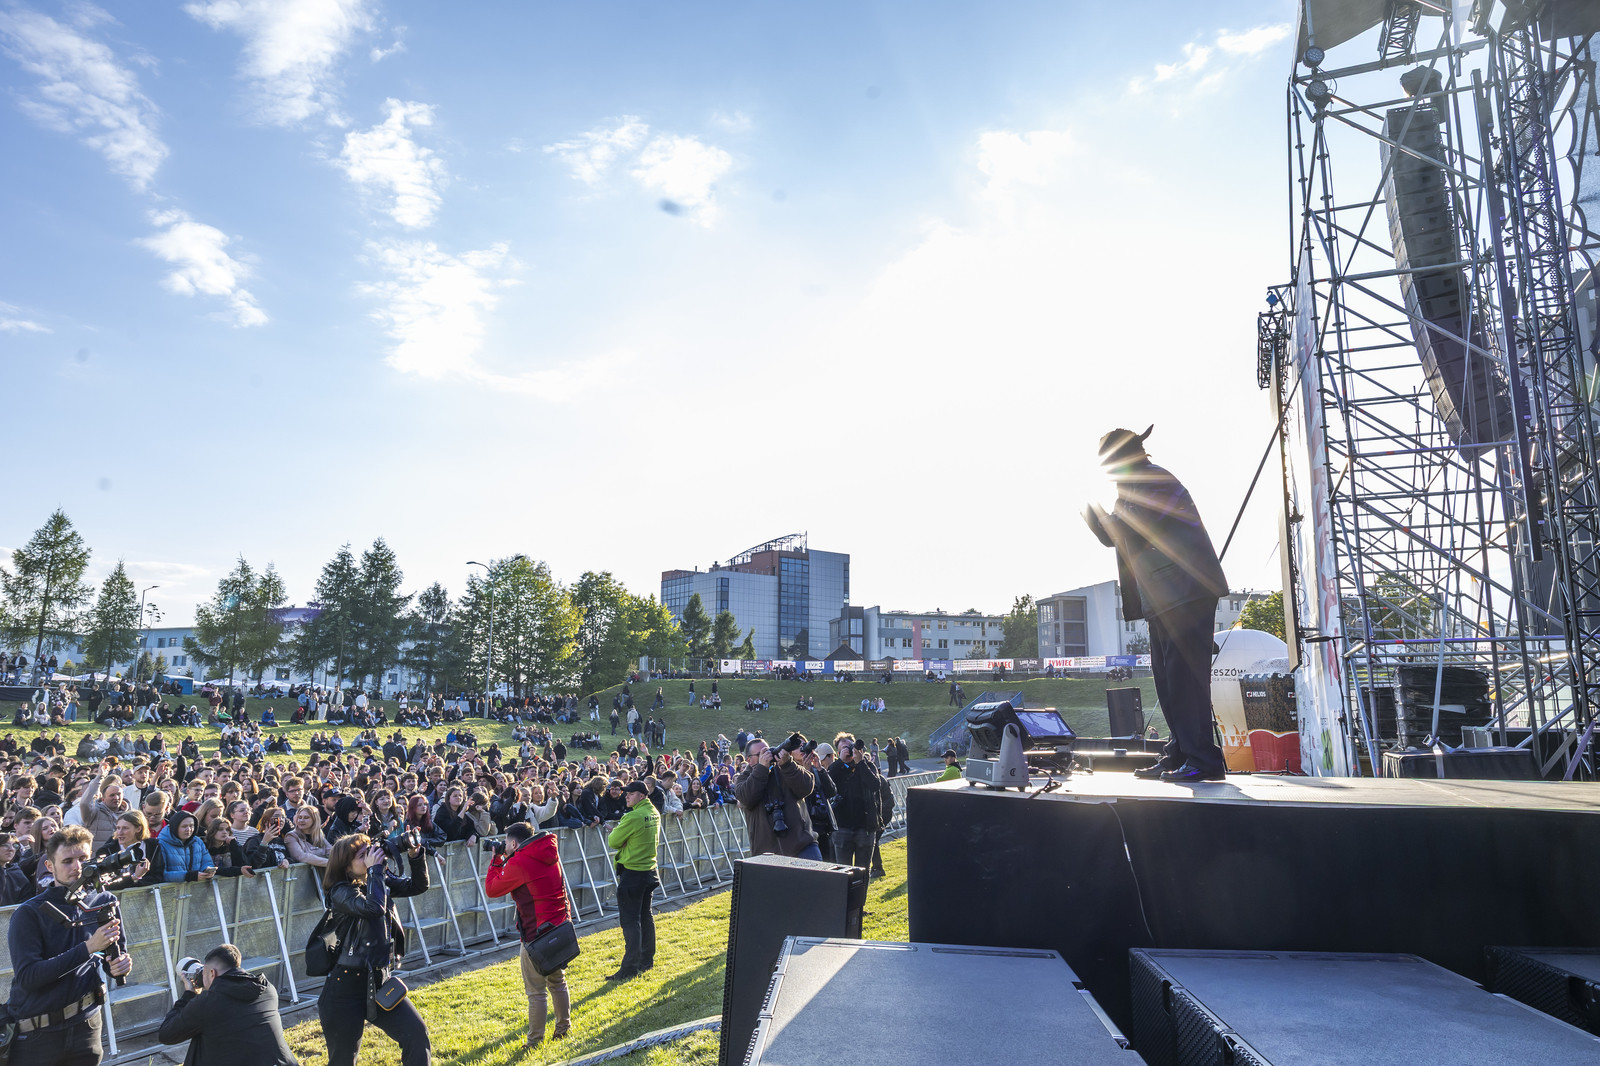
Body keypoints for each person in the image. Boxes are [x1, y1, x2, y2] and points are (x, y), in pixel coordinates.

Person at [1083, 426, 1228, 783]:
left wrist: (1095, 511)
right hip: (1163, 597)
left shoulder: (1152, 481)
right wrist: (1093, 511)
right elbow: (1115, 536)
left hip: (1185, 592)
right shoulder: (1134, 488)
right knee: (1167, 681)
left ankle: (1203, 759)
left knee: (1185, 680)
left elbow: (1125, 531)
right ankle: (1180, 752)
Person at [6, 825, 134, 1066]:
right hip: (38, 1033)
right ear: (49, 866)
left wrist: (120, 965)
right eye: (67, 861)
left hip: (86, 1025)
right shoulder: (29, 913)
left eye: (83, 859)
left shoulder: (103, 900)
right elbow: (29, 977)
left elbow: (114, 957)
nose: (77, 867)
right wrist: (88, 948)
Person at [320, 834, 431, 1066]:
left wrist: (414, 855)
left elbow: (418, 885)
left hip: (379, 981)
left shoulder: (376, 880)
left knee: (416, 1035)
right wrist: (375, 871)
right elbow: (373, 908)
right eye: (363, 855)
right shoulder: (340, 892)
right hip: (344, 988)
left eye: (371, 850)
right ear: (346, 866)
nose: (372, 857)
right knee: (343, 1060)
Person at [484, 822, 572, 1048]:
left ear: (514, 843)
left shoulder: (520, 861)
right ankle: (563, 1028)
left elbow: (492, 889)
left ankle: (534, 1041)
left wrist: (496, 860)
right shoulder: (548, 851)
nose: (504, 846)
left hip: (535, 935)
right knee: (557, 982)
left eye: (506, 843)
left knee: (536, 991)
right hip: (558, 926)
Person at [156, 943, 297, 1066]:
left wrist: (189, 994)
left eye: (203, 973)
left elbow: (166, 1034)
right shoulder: (267, 989)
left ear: (212, 973)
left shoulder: (208, 1002)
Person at [605, 782, 660, 981]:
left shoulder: (633, 816)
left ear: (641, 796)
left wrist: (618, 832)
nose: (626, 796)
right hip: (649, 870)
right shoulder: (653, 812)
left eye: (630, 793)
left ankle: (629, 967)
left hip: (633, 872)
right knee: (645, 917)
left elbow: (613, 841)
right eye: (626, 793)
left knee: (630, 921)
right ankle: (646, 961)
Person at [733, 737, 821, 860]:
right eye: (760, 754)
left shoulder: (785, 768)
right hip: (766, 852)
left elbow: (806, 788)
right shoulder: (743, 779)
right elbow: (746, 798)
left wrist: (787, 765)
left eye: (768, 751)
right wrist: (762, 768)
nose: (767, 756)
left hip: (802, 845)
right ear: (749, 759)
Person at [828, 734, 884, 871]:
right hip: (842, 827)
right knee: (843, 872)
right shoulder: (835, 768)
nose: (849, 751)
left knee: (862, 872)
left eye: (851, 747)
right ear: (838, 753)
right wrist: (841, 762)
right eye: (844, 748)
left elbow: (875, 785)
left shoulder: (867, 765)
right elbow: (828, 786)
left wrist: (860, 763)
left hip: (865, 827)